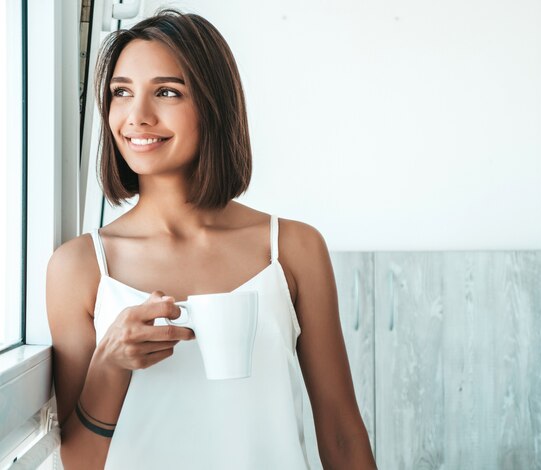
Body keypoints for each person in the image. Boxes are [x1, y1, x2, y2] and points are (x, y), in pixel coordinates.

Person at [46, 9, 376, 470]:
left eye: (166, 92)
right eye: (121, 92)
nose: (136, 116)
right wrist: (110, 365)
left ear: (212, 104)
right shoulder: (80, 267)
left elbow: (341, 432)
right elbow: (79, 462)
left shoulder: (292, 249)